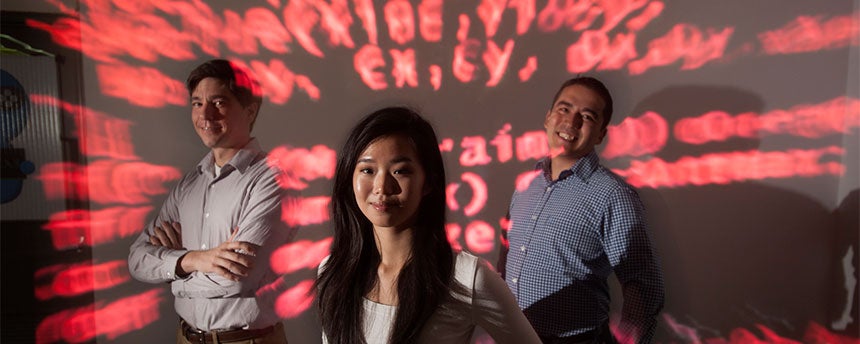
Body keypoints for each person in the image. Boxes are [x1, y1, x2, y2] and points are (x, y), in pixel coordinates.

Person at [315, 106, 541, 344]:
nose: (382, 186)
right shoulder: (333, 271)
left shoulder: (465, 276)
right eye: (368, 170)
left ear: (428, 182)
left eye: (400, 171)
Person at [128, 59, 295, 343]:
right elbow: (137, 259)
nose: (205, 114)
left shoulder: (272, 180)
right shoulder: (189, 185)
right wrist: (196, 260)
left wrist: (173, 272)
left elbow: (236, 279)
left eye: (218, 102)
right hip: (186, 338)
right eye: (196, 103)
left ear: (249, 110)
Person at [501, 76, 665, 344]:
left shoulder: (613, 195)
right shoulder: (526, 185)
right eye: (564, 109)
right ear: (548, 117)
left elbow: (644, 287)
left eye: (587, 116)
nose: (571, 122)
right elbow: (506, 253)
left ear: (601, 134)